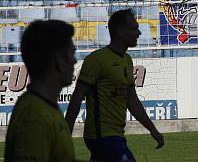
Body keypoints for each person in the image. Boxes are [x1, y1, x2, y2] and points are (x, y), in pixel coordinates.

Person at [66, 9, 165, 162]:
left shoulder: (126, 60)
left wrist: (152, 129)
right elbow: (76, 100)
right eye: (134, 28)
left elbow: (132, 100)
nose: (139, 33)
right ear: (120, 31)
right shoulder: (97, 60)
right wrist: (64, 139)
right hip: (102, 136)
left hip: (115, 136)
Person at [4, 20, 77, 162]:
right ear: (59, 61)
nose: (74, 61)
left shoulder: (43, 106)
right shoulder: (36, 117)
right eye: (72, 53)